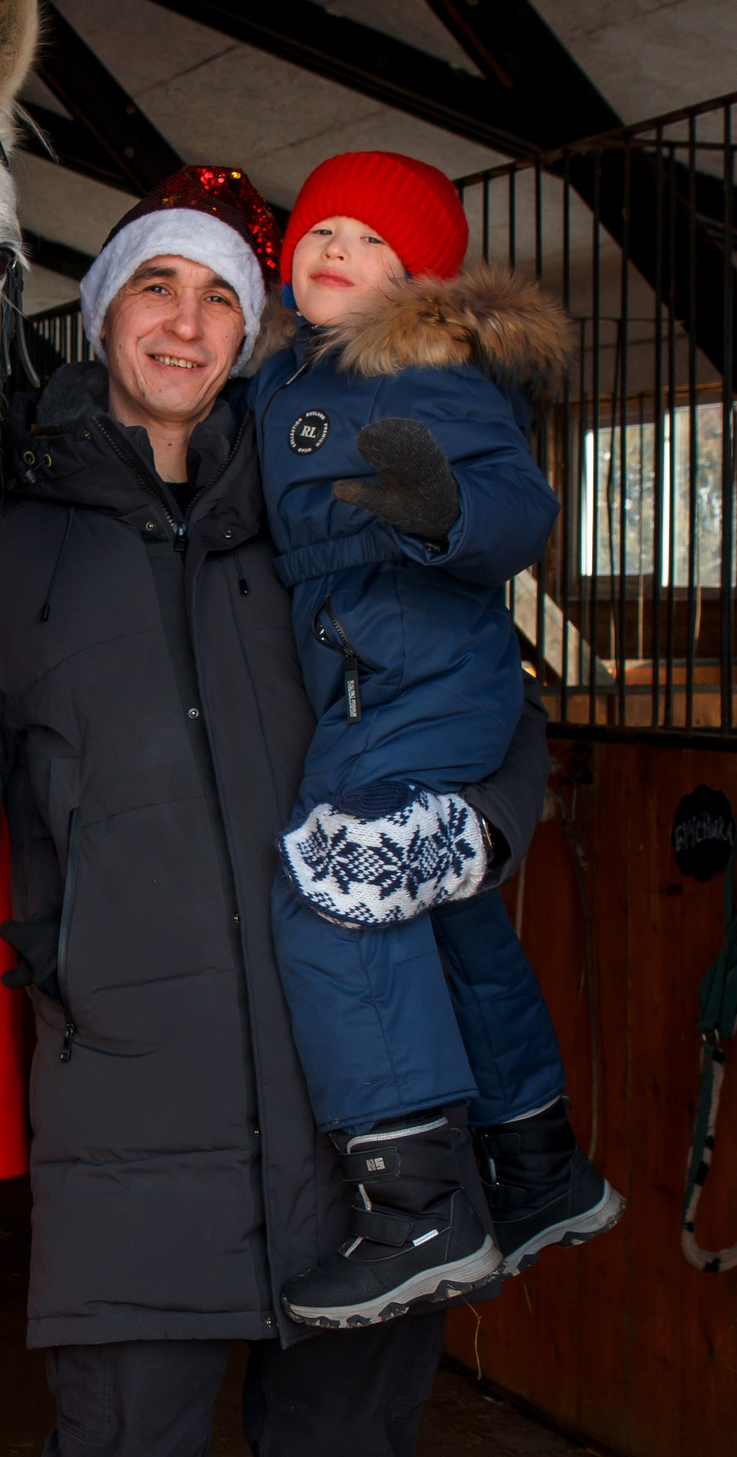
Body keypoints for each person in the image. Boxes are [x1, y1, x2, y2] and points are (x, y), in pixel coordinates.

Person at [0, 167, 552, 1457]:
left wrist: (464, 836)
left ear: (254, 330)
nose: (185, 318)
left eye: (221, 294)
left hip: (358, 1115)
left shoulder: (318, 511)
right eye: (154, 283)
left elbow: (484, 708)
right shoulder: (7, 547)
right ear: (102, 312)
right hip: (131, 1106)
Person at [256, 152, 621, 1330]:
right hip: (377, 676)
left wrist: (446, 512)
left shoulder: (431, 367)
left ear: (415, 279)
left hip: (415, 680)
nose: (333, 250)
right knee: (447, 918)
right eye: (320, 231)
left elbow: (523, 505)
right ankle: (538, 1166)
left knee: (332, 890)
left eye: (367, 241)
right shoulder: (281, 376)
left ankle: (416, 1206)